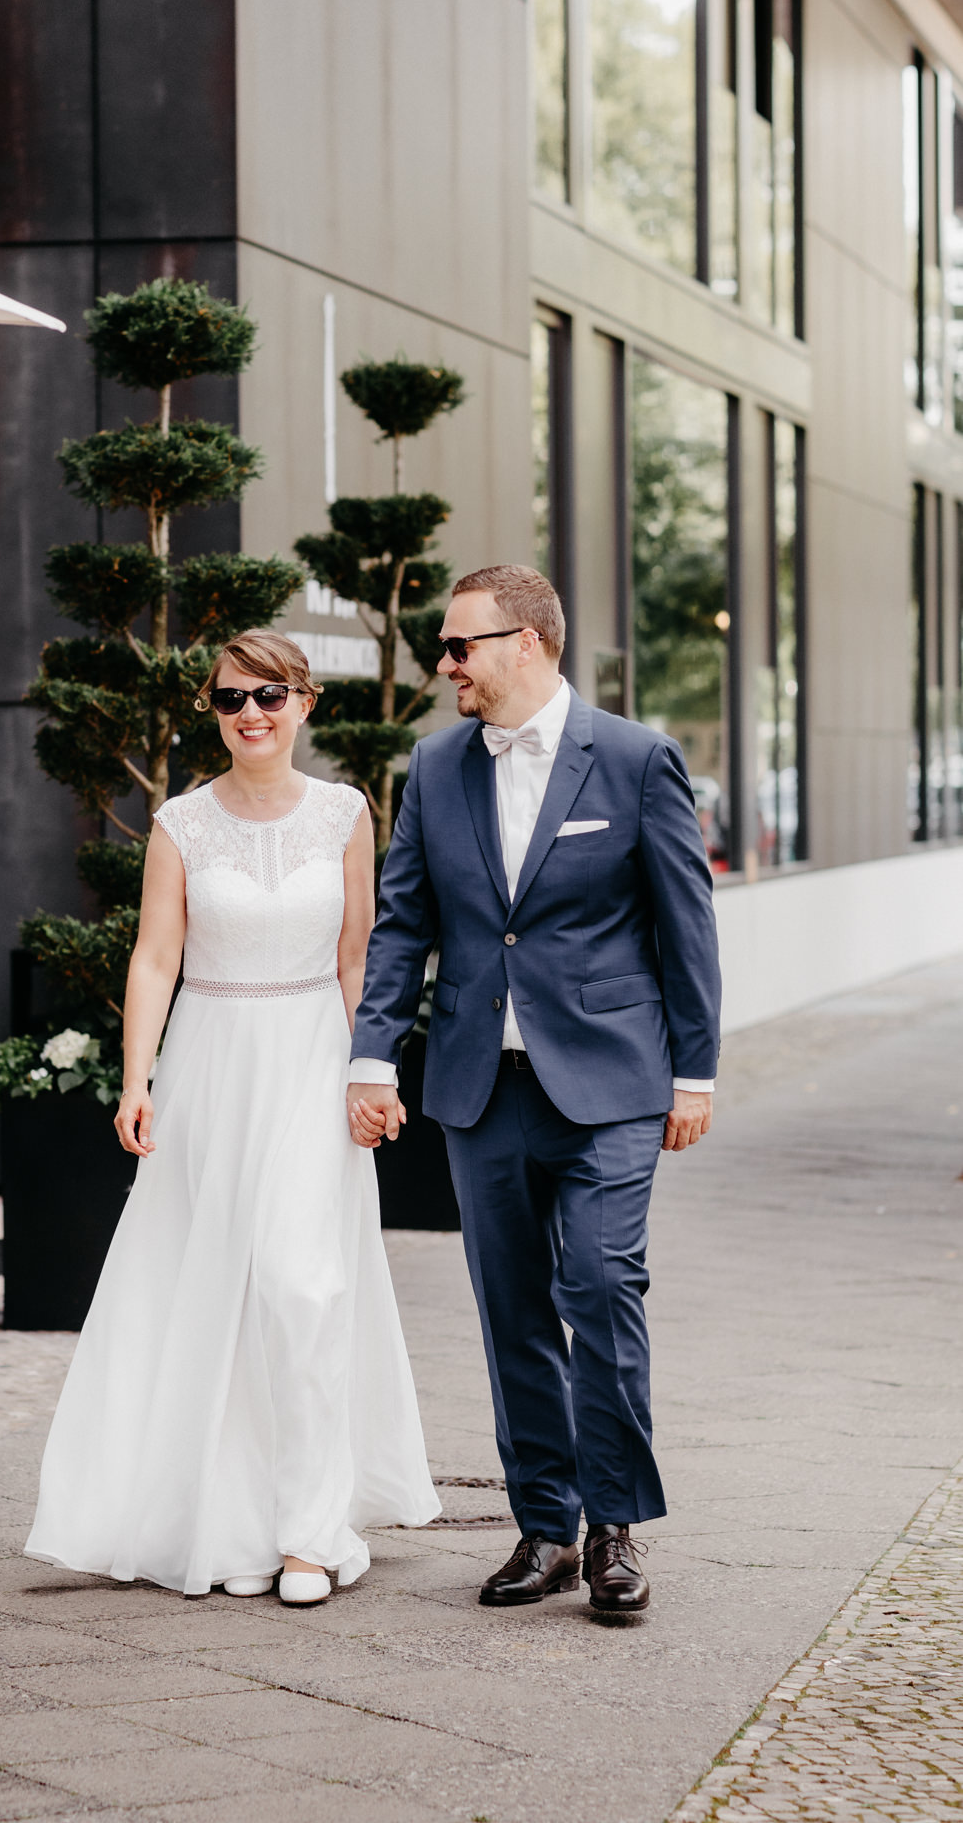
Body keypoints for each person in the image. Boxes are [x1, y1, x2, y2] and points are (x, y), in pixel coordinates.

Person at [26, 631, 440, 1604]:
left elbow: (357, 955)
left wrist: (371, 1072)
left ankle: (311, 1528)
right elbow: (154, 960)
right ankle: (229, 1516)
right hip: (208, 1060)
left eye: (269, 694)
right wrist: (136, 1081)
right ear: (211, 710)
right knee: (209, 1285)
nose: (248, 712)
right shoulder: (179, 822)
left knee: (303, 1286)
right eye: (228, 698)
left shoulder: (346, 813)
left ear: (305, 703)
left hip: (310, 1059)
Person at [347, 566, 721, 1615]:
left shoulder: (637, 758)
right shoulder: (435, 764)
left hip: (609, 1081)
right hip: (479, 1087)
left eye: (462, 644)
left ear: (532, 643)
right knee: (511, 1307)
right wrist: (373, 1054)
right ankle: (544, 1524)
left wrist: (694, 1070)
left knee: (600, 1289)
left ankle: (614, 1526)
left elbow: (685, 927)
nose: (446, 664)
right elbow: (403, 924)